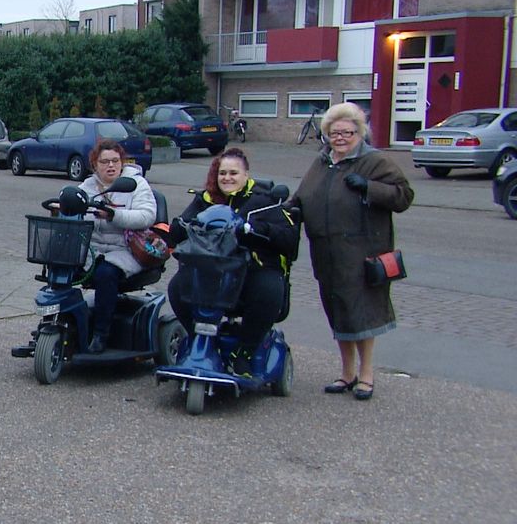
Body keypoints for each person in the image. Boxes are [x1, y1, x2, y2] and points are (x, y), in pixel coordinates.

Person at [293, 103, 413, 400]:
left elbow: (403, 195)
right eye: (335, 133)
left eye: (348, 132)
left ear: (360, 133)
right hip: (326, 252)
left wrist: (369, 187)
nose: (341, 138)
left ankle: (367, 374)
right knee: (337, 310)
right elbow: (303, 196)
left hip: (362, 252)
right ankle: (347, 372)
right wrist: (285, 209)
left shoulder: (374, 161)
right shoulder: (322, 161)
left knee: (361, 314)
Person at [167, 147, 299, 376]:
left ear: (246, 175)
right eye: (223, 173)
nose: (227, 178)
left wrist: (255, 229)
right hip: (212, 273)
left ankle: (245, 353)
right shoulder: (206, 200)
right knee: (177, 286)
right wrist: (181, 226)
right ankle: (202, 340)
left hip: (251, 272)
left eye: (233, 173)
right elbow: (178, 230)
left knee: (269, 288)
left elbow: (290, 241)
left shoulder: (263, 201)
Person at [77, 139, 157, 353]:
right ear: (95, 165)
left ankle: (101, 333)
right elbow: (73, 203)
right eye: (104, 162)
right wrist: (64, 207)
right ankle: (68, 322)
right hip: (93, 250)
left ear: (122, 162)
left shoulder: (135, 184)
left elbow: (147, 215)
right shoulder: (88, 186)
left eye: (115, 161)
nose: (110, 166)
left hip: (126, 250)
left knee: (105, 274)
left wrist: (114, 215)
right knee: (60, 267)